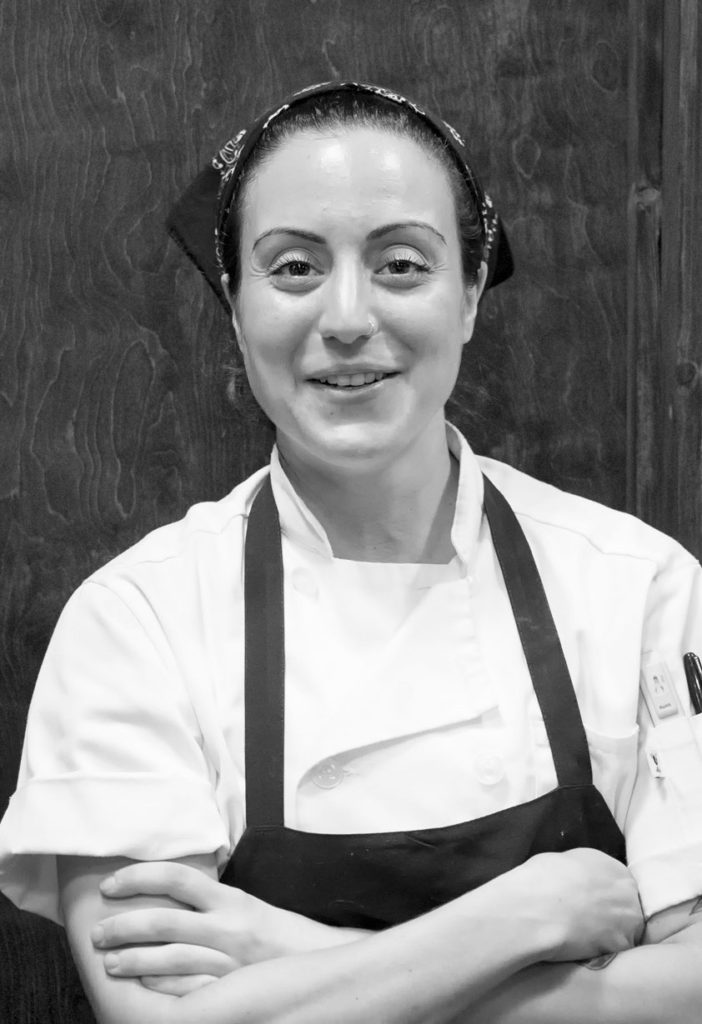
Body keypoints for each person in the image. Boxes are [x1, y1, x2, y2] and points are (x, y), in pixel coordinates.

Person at [1, 80, 702, 1024]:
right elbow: (158, 1019)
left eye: (402, 264)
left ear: (469, 296)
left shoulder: (636, 586)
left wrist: (289, 954)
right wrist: (523, 916)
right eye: (293, 267)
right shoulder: (138, 621)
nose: (345, 317)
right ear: (235, 305)